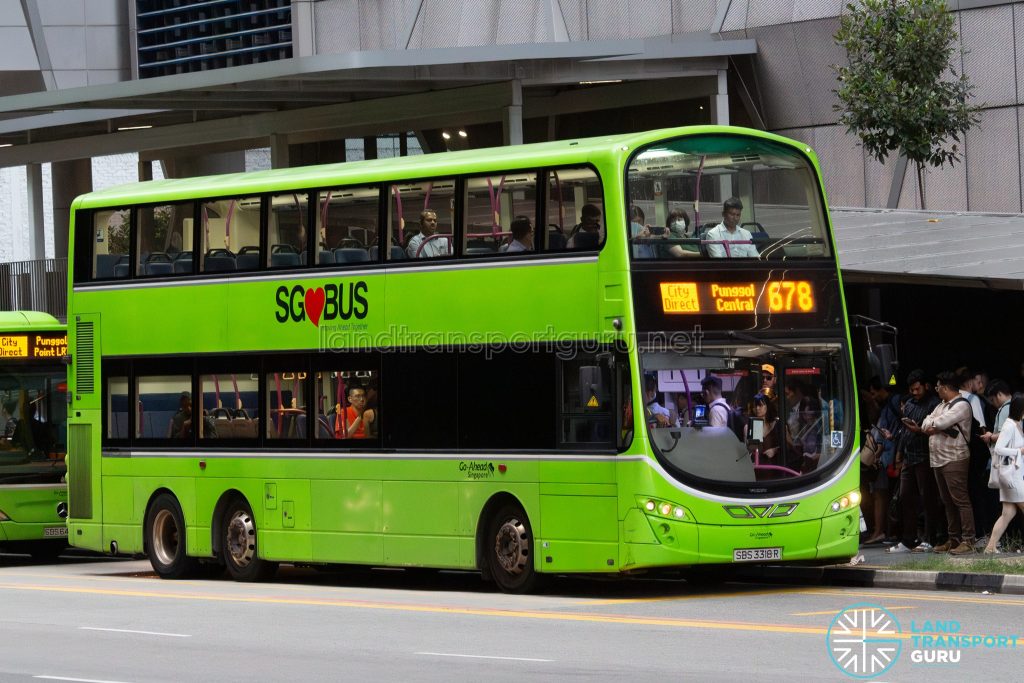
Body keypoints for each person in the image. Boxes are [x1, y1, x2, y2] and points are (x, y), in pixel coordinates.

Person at [918, 371, 976, 555]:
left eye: (937, 387)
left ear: (944, 387)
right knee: (947, 501)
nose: (936, 390)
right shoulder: (941, 405)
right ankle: (954, 539)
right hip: (938, 459)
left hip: (955, 458)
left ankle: (968, 540)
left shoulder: (961, 406)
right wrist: (932, 424)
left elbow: (940, 424)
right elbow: (925, 423)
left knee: (960, 500)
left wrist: (933, 424)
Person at [888, 369, 944, 553]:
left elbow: (934, 429)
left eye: (917, 389)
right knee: (905, 497)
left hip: (925, 457)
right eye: (912, 389)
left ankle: (930, 538)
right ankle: (908, 539)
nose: (914, 392)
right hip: (909, 457)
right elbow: (905, 430)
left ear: (926, 386)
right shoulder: (910, 403)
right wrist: (900, 453)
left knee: (928, 499)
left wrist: (918, 430)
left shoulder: (934, 404)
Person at [984, 395, 1024, 553]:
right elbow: (999, 449)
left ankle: (990, 546)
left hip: (1012, 475)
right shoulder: (1009, 426)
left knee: (1007, 513)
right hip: (1012, 477)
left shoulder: (1016, 424)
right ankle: (991, 546)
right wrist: (1019, 451)